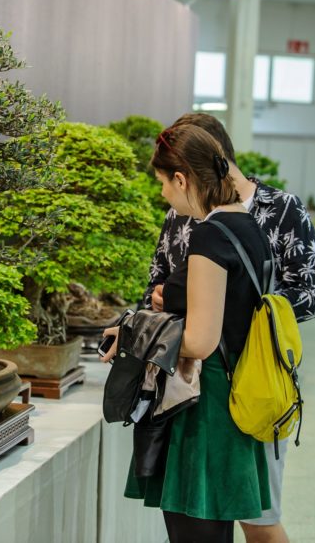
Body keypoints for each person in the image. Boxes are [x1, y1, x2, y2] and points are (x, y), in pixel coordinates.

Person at [144, 112, 315, 543]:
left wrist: (241, 314)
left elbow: (311, 294)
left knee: (257, 518)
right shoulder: (189, 217)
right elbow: (157, 282)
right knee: (212, 513)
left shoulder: (278, 210)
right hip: (191, 386)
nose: (164, 192)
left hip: (249, 377)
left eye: (166, 181)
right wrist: (166, 302)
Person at [101, 123, 273, 542]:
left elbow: (200, 341)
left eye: (163, 182)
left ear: (181, 179)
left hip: (203, 407)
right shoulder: (246, 224)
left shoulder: (211, 235)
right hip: (231, 393)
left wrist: (135, 335)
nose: (163, 193)